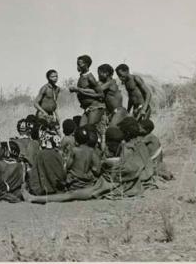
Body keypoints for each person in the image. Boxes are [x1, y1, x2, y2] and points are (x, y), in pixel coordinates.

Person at [22, 124, 155, 204]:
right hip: (99, 184)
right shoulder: (127, 155)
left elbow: (68, 167)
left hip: (98, 187)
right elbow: (98, 170)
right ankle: (34, 198)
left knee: (70, 196)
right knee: (70, 195)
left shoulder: (76, 151)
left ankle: (34, 199)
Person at [69, 55, 105, 127]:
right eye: (77, 63)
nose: (78, 65)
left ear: (87, 64)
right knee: (81, 130)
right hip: (87, 108)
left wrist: (78, 90)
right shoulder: (82, 76)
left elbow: (101, 94)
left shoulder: (90, 77)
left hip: (95, 107)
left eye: (80, 63)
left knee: (89, 129)